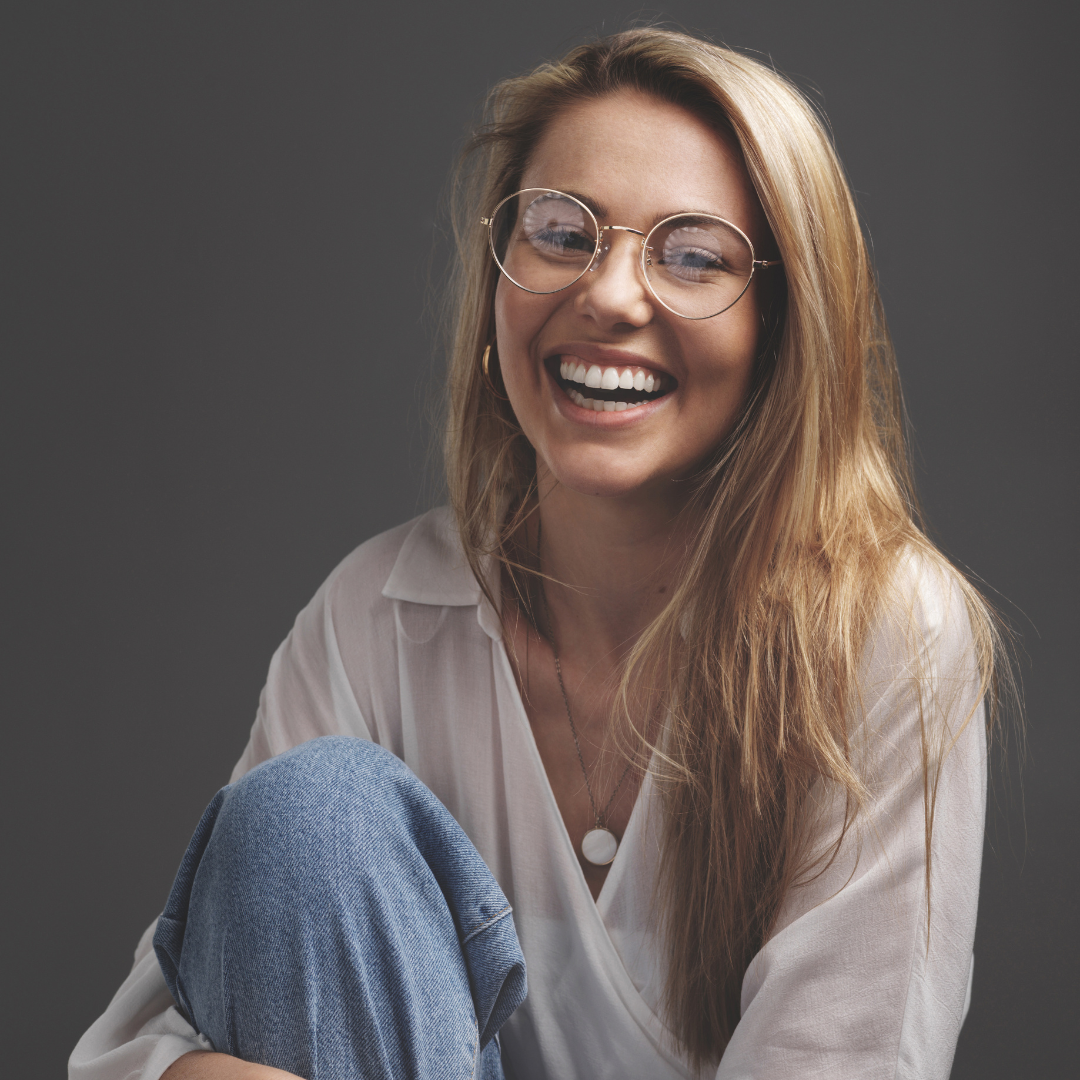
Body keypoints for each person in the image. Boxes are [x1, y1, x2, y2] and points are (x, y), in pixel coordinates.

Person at [70, 27, 1004, 1080]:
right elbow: (150, 1044)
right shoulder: (374, 615)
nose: (608, 296)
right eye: (562, 233)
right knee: (306, 816)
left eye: (694, 255)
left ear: (786, 332)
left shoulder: (885, 634)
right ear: (497, 283)